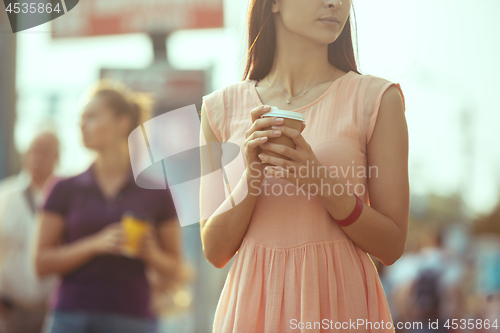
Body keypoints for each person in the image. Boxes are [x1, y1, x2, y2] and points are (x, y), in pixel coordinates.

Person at [199, 0, 409, 332]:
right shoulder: (218, 109)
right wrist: (252, 176)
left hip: (341, 307)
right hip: (253, 310)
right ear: (275, 4)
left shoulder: (379, 98)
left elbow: (392, 245)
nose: (336, 4)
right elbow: (214, 250)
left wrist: (318, 179)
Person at [33, 80, 183, 333]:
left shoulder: (157, 191)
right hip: (70, 317)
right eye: (81, 118)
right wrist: (96, 244)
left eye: (91, 116)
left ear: (122, 122)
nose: (81, 125)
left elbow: (176, 268)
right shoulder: (63, 188)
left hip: (133, 318)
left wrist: (151, 253)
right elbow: (40, 263)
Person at [0, 130, 60, 333]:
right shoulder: (5, 196)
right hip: (10, 308)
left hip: (53, 309)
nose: (38, 158)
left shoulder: (65, 200)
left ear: (57, 158)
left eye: (45, 152)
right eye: (34, 151)